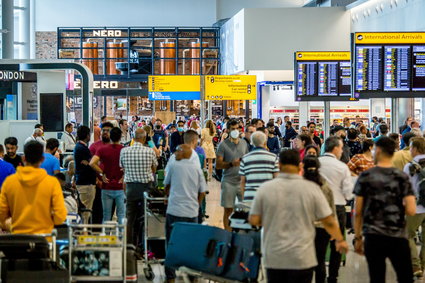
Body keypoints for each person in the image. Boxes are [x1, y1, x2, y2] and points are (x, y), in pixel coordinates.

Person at [249, 149, 348, 283]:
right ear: (300, 166)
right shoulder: (311, 188)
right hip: (302, 256)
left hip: (275, 256)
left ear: (279, 165)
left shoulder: (266, 188)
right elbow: (328, 220)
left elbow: (254, 219)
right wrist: (340, 240)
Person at [354, 136, 416, 282]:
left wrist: (357, 238)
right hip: (398, 235)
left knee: (376, 277)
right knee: (405, 277)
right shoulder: (401, 177)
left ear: (379, 151)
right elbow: (411, 210)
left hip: (373, 236)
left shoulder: (365, 176)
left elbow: (358, 211)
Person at [0, 141, 67, 234]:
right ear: (42, 159)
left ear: (23, 158)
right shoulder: (52, 183)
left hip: (17, 239)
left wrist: (11, 224)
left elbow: (2, 215)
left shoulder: (9, 182)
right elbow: (60, 217)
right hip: (44, 239)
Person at [164, 144, 207, 282]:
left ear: (183, 153)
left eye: (177, 151)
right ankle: (192, 274)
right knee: (191, 244)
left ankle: (170, 275)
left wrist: (169, 197)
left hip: (174, 210)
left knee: (171, 242)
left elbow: (166, 185)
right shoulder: (197, 169)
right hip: (191, 212)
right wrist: (197, 204)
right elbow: (202, 191)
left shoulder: (173, 166)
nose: (175, 153)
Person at [319, 136, 353, 283]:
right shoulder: (342, 167)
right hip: (337, 208)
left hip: (318, 209)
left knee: (318, 245)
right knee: (337, 244)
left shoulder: (316, 163)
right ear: (335, 148)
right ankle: (333, 277)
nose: (342, 151)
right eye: (340, 148)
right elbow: (348, 193)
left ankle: (319, 276)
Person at [120, 128, 157, 247]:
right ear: (144, 138)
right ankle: (143, 245)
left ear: (134, 137)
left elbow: (123, 168)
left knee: (130, 217)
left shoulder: (124, 151)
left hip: (130, 188)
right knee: (145, 217)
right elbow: (154, 169)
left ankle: (129, 245)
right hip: (146, 188)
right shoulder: (150, 151)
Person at [303, 155, 336, 283]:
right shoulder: (325, 185)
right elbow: (331, 208)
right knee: (320, 261)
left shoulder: (299, 185)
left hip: (303, 228)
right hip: (322, 228)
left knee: (304, 262)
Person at [216, 119, 248, 231]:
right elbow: (218, 165)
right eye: (233, 129)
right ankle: (228, 234)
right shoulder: (223, 145)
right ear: (228, 130)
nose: (235, 131)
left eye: (237, 128)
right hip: (228, 181)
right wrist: (231, 164)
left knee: (244, 209)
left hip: (242, 182)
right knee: (228, 209)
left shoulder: (244, 143)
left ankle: (240, 233)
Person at [90, 127, 125, 224]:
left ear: (110, 137)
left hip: (106, 186)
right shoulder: (124, 150)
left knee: (106, 216)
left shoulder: (102, 149)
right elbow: (129, 165)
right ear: (120, 137)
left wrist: (102, 173)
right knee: (121, 215)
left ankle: (106, 237)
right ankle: (122, 237)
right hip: (120, 187)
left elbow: (92, 163)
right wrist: (124, 176)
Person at [404, 137, 425, 277]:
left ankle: (415, 266)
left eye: (411, 147)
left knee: (408, 235)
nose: (410, 150)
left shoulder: (410, 166)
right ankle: (423, 265)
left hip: (416, 207)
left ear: (416, 148)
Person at [239, 131, 279, 203]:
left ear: (252, 142)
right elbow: (276, 179)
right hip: (267, 197)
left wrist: (242, 199)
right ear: (265, 142)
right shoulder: (273, 157)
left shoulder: (245, 158)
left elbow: (242, 182)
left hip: (250, 197)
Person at [74, 125, 97, 224]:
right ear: (87, 135)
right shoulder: (83, 149)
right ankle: (83, 232)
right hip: (86, 183)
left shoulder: (78, 147)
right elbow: (90, 164)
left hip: (82, 181)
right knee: (86, 211)